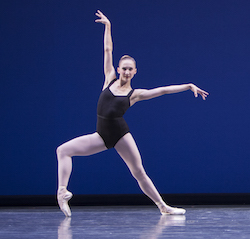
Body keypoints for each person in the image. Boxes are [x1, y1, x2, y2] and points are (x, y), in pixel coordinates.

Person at [56, 10, 209, 217]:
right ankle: (62, 192)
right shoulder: (109, 78)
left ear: (135, 72)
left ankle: (163, 207)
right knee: (63, 150)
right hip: (100, 136)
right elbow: (107, 49)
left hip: (120, 135)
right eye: (124, 68)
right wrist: (108, 26)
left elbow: (162, 90)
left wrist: (188, 85)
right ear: (118, 69)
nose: (126, 72)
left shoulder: (134, 94)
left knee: (138, 172)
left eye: (130, 69)